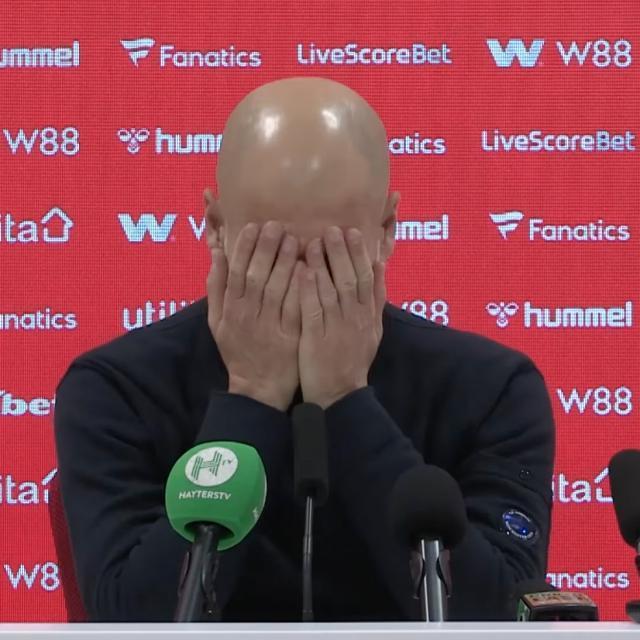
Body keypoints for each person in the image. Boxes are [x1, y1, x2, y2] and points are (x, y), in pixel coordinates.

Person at [54, 76, 555, 622]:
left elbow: (502, 615)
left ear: (387, 230)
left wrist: (346, 399)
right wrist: (250, 398)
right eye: (270, 254)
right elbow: (129, 621)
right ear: (216, 228)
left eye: (332, 256)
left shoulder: (490, 388)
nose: (301, 284)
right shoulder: (116, 387)